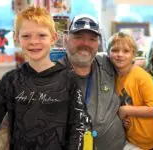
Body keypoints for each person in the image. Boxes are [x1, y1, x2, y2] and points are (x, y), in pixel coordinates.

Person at [0, 6, 88, 150]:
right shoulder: (10, 80)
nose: (34, 42)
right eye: (26, 36)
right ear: (16, 38)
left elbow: (77, 127)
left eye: (41, 35)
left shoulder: (69, 80)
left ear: (53, 38)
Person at [61, 14, 126, 150]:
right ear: (66, 40)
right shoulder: (52, 74)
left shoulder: (107, 63)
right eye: (78, 37)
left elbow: (136, 61)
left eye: (92, 39)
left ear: (98, 44)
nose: (85, 44)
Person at [107, 31, 153, 150]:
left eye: (126, 51)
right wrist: (123, 120)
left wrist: (124, 110)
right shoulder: (114, 77)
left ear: (133, 54)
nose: (120, 54)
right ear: (108, 53)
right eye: (115, 50)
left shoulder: (141, 76)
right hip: (133, 140)